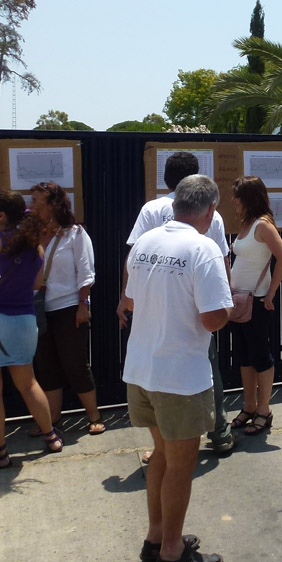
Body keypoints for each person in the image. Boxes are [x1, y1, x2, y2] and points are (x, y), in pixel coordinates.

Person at [124, 175, 232, 562]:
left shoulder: (146, 242)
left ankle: (157, 538)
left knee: (162, 457)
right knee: (181, 466)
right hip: (180, 376)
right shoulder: (203, 248)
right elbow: (211, 317)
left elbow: (133, 298)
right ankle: (172, 552)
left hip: (141, 369)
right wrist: (231, 310)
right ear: (210, 210)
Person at [118, 152, 235, 455]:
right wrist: (225, 297)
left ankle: (164, 446)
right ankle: (219, 431)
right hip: (191, 319)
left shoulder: (151, 210)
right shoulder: (213, 218)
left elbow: (133, 259)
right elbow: (221, 260)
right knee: (208, 367)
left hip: (150, 315)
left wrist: (125, 299)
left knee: (163, 443)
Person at [0, 191, 63, 465]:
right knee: (28, 383)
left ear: (1, 215)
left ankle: (1, 451)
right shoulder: (36, 246)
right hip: (26, 320)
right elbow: (36, 285)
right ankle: (51, 437)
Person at [29, 181, 104, 434]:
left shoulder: (75, 233)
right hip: (39, 308)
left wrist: (83, 304)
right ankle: (52, 420)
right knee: (45, 365)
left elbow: (86, 272)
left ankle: (94, 416)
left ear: (53, 204)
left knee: (75, 363)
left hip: (69, 305)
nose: (32, 205)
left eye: (37, 200)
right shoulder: (33, 233)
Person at [227, 176, 282, 435]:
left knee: (260, 357)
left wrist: (271, 293)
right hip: (238, 300)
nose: (233, 201)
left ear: (249, 199)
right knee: (244, 356)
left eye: (237, 197)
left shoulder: (263, 225)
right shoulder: (247, 223)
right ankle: (249, 405)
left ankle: (264, 409)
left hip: (255, 301)